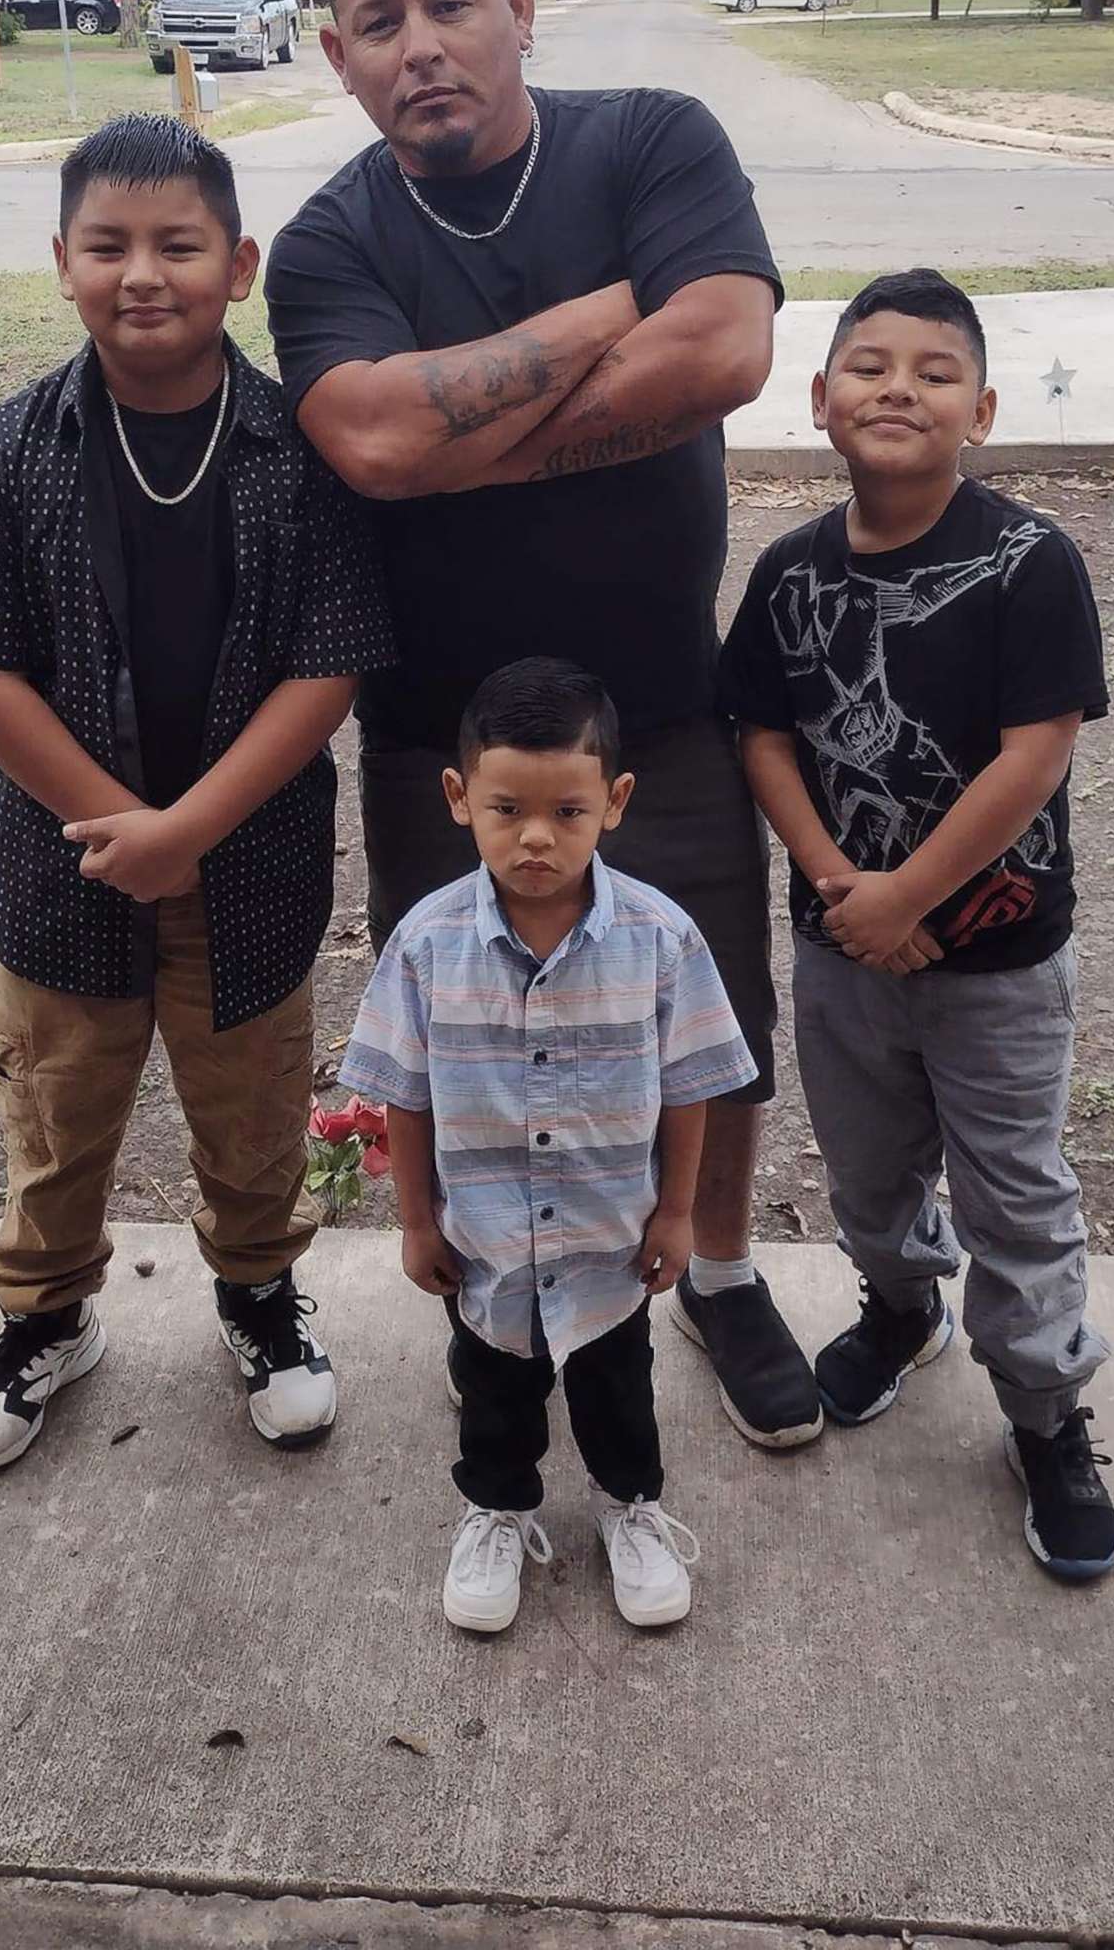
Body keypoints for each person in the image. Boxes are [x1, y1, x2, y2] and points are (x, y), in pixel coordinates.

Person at [265, 0, 821, 1454]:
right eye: (381, 22)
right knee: (468, 1037)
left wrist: (452, 438)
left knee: (704, 1020)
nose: (422, 45)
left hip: (664, 710)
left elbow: (720, 347)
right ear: (337, 55)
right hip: (440, 740)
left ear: (519, 10)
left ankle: (714, 1270)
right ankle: (502, 1289)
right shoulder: (327, 245)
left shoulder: (653, 139)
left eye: (451, 3)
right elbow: (366, 439)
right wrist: (597, 317)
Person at [0, 113, 394, 1474]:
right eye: (108, 245)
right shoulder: (7, 451)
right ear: (61, 262)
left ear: (238, 266)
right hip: (63, 876)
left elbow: (329, 667)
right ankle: (45, 1319)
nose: (143, 273)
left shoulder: (303, 453)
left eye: (178, 244)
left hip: (253, 868)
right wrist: (123, 829)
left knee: (250, 1115)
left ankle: (259, 1298)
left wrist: (193, 830)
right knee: (55, 1114)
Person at [717, 268, 1114, 1579]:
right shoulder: (788, 575)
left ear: (982, 409)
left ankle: (1048, 1412)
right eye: (871, 365)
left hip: (999, 960)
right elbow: (762, 733)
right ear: (823, 401)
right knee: (869, 1167)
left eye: (935, 371)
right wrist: (846, 884)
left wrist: (912, 894)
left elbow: (1032, 754)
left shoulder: (1028, 563)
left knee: (1017, 1193)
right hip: (845, 956)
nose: (900, 387)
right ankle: (900, 1310)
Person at [343, 657, 757, 1633]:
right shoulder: (424, 945)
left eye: (567, 812)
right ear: (459, 799)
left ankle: (631, 1510)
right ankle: (495, 1512)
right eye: (507, 809)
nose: (536, 837)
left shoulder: (662, 940)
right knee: (494, 1392)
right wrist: (415, 1222)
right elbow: (403, 1095)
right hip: (484, 1240)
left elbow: (691, 1087)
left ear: (614, 802)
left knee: (619, 1391)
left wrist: (678, 1209)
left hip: (609, 1240)